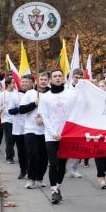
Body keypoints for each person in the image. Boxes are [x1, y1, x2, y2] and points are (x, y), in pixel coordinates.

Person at [38, 68, 76, 204]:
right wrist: (53, 133)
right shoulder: (46, 97)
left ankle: (58, 186)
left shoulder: (71, 95)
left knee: (62, 164)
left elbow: (75, 113)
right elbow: (44, 117)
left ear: (63, 79)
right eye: (55, 76)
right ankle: (54, 191)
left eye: (60, 76)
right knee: (53, 163)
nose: (58, 78)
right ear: (50, 79)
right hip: (51, 135)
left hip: (66, 135)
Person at [0, 77, 18, 164]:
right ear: (8, 84)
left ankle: (8, 151)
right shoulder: (3, 94)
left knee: (14, 139)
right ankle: (10, 157)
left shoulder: (17, 93)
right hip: (6, 119)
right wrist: (0, 109)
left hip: (16, 119)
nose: (14, 83)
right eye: (12, 82)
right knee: (9, 138)